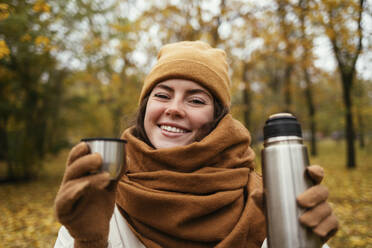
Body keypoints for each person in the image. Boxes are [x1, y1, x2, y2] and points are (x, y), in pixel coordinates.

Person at [54, 41, 339, 248]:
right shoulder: (101, 198)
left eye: (196, 100)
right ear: (145, 108)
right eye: (162, 95)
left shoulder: (270, 202)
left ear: (218, 120)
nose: (174, 109)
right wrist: (89, 241)